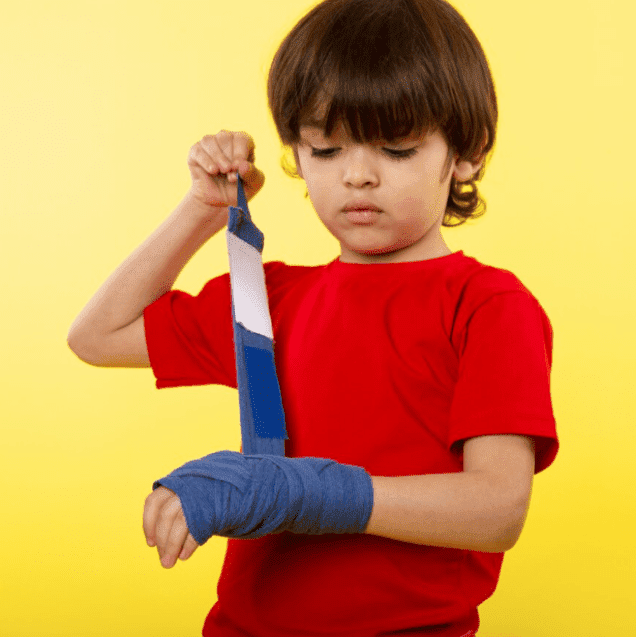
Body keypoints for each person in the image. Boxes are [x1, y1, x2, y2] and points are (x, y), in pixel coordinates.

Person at [67, 0, 558, 635]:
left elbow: (497, 509)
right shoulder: (263, 300)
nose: (358, 176)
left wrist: (305, 492)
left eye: (398, 147)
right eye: (326, 149)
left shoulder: (487, 306)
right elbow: (96, 335)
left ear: (466, 153)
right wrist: (201, 209)